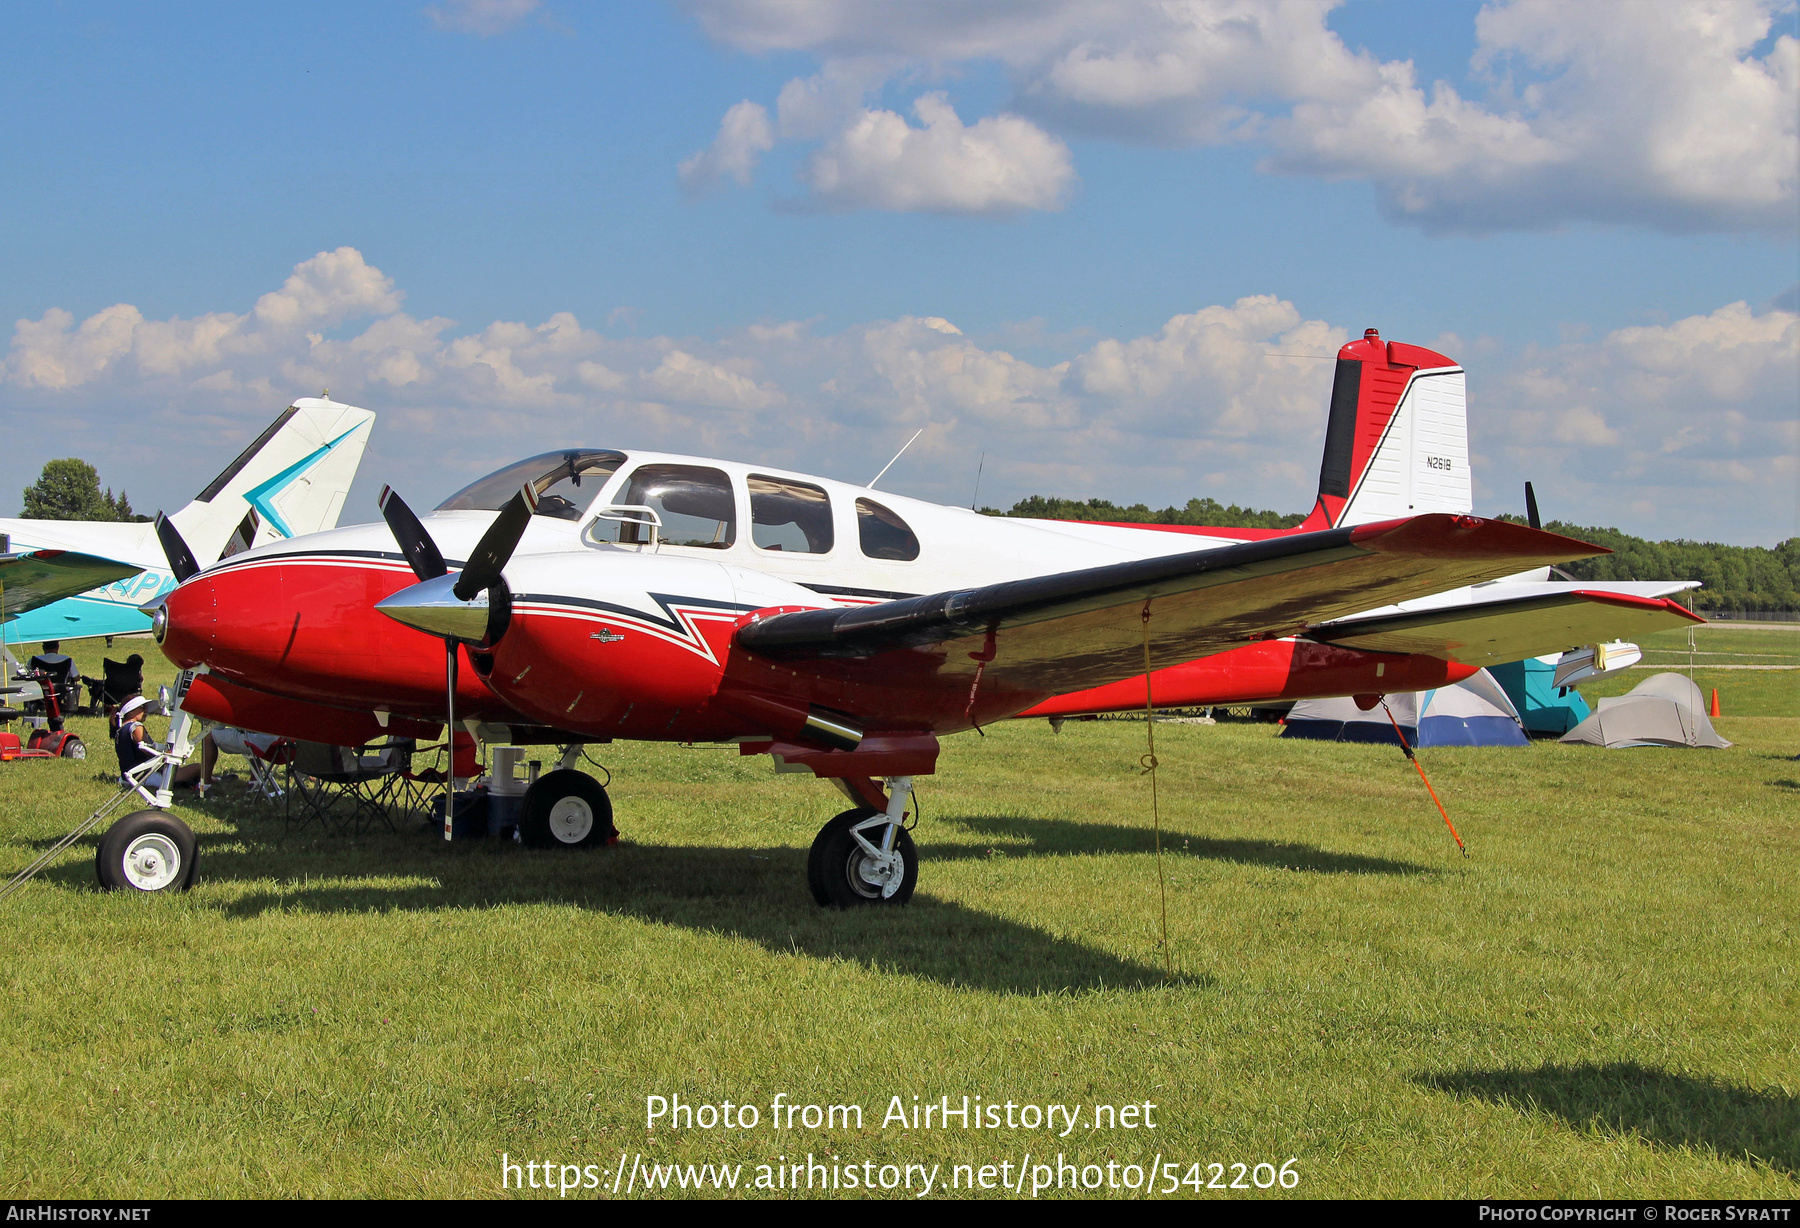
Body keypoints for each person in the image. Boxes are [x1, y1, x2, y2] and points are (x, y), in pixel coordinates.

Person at [112, 694, 205, 790]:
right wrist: (167, 754)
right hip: (145, 777)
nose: (146, 710)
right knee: (199, 768)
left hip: (128, 777)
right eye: (142, 707)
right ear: (130, 712)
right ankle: (209, 783)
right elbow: (148, 751)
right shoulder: (136, 727)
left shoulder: (120, 730)